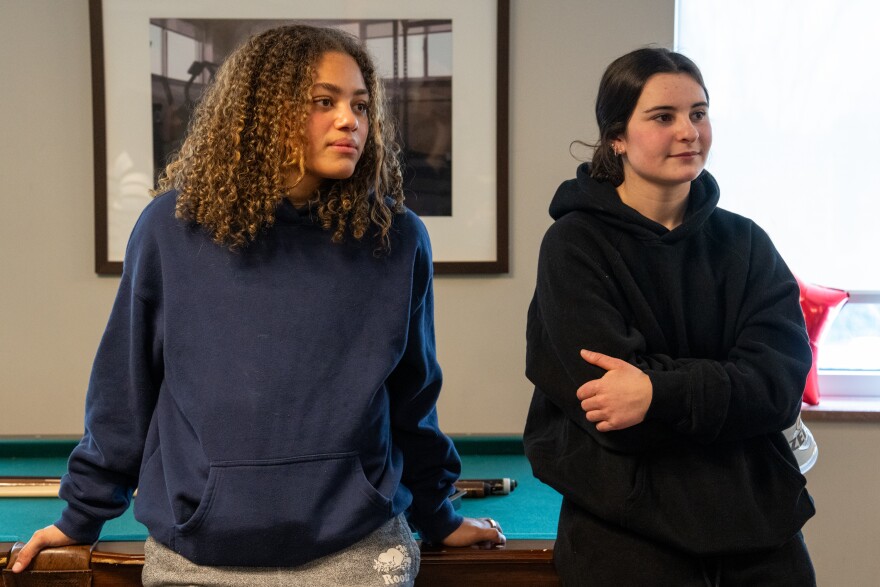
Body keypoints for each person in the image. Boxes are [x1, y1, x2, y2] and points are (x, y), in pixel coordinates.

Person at [12, 24, 504, 586]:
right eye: (325, 102)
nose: (351, 120)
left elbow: (412, 398)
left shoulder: (397, 239)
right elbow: (124, 391)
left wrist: (438, 516)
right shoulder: (171, 229)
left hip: (358, 555)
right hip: (197, 558)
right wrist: (80, 517)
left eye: (360, 105)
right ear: (263, 111)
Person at [523, 47, 816, 586]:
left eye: (699, 113)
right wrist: (727, 395)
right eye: (663, 117)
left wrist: (658, 394)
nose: (689, 131)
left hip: (760, 531)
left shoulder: (746, 242)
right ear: (617, 136)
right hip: (627, 531)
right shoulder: (574, 246)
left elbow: (778, 388)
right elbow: (609, 412)